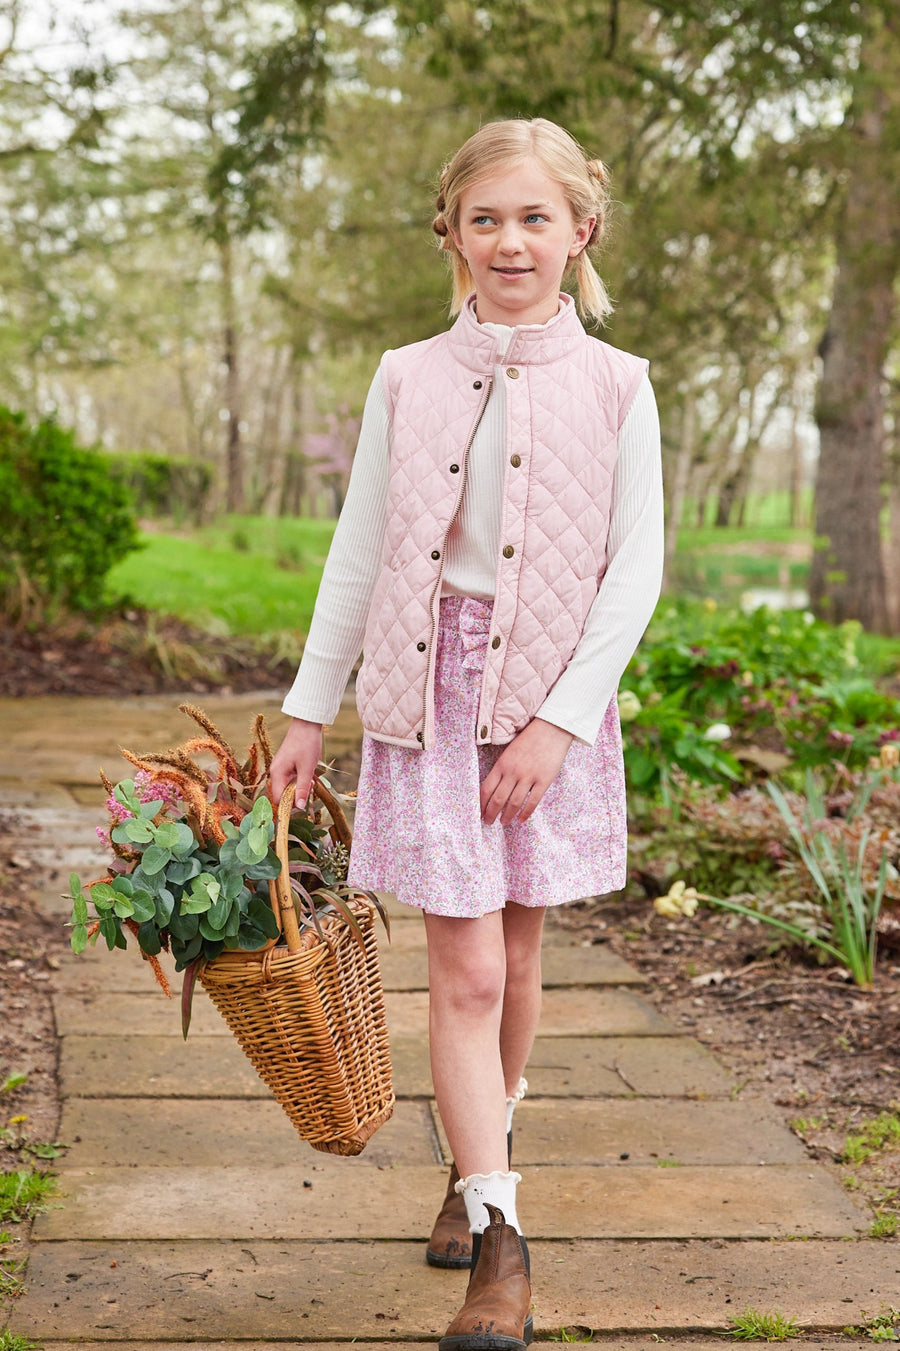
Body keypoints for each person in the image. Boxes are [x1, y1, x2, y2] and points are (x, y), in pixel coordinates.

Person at [269, 116, 664, 1351]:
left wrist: (558, 722)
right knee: (468, 969)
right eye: (485, 218)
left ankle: (470, 1151)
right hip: (430, 702)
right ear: (451, 233)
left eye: (535, 218)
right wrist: (305, 705)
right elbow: (362, 544)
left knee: (524, 963)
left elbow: (635, 572)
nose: (510, 239)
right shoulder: (406, 375)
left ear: (579, 232)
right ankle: (501, 1237)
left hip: (546, 711)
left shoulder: (620, 385)